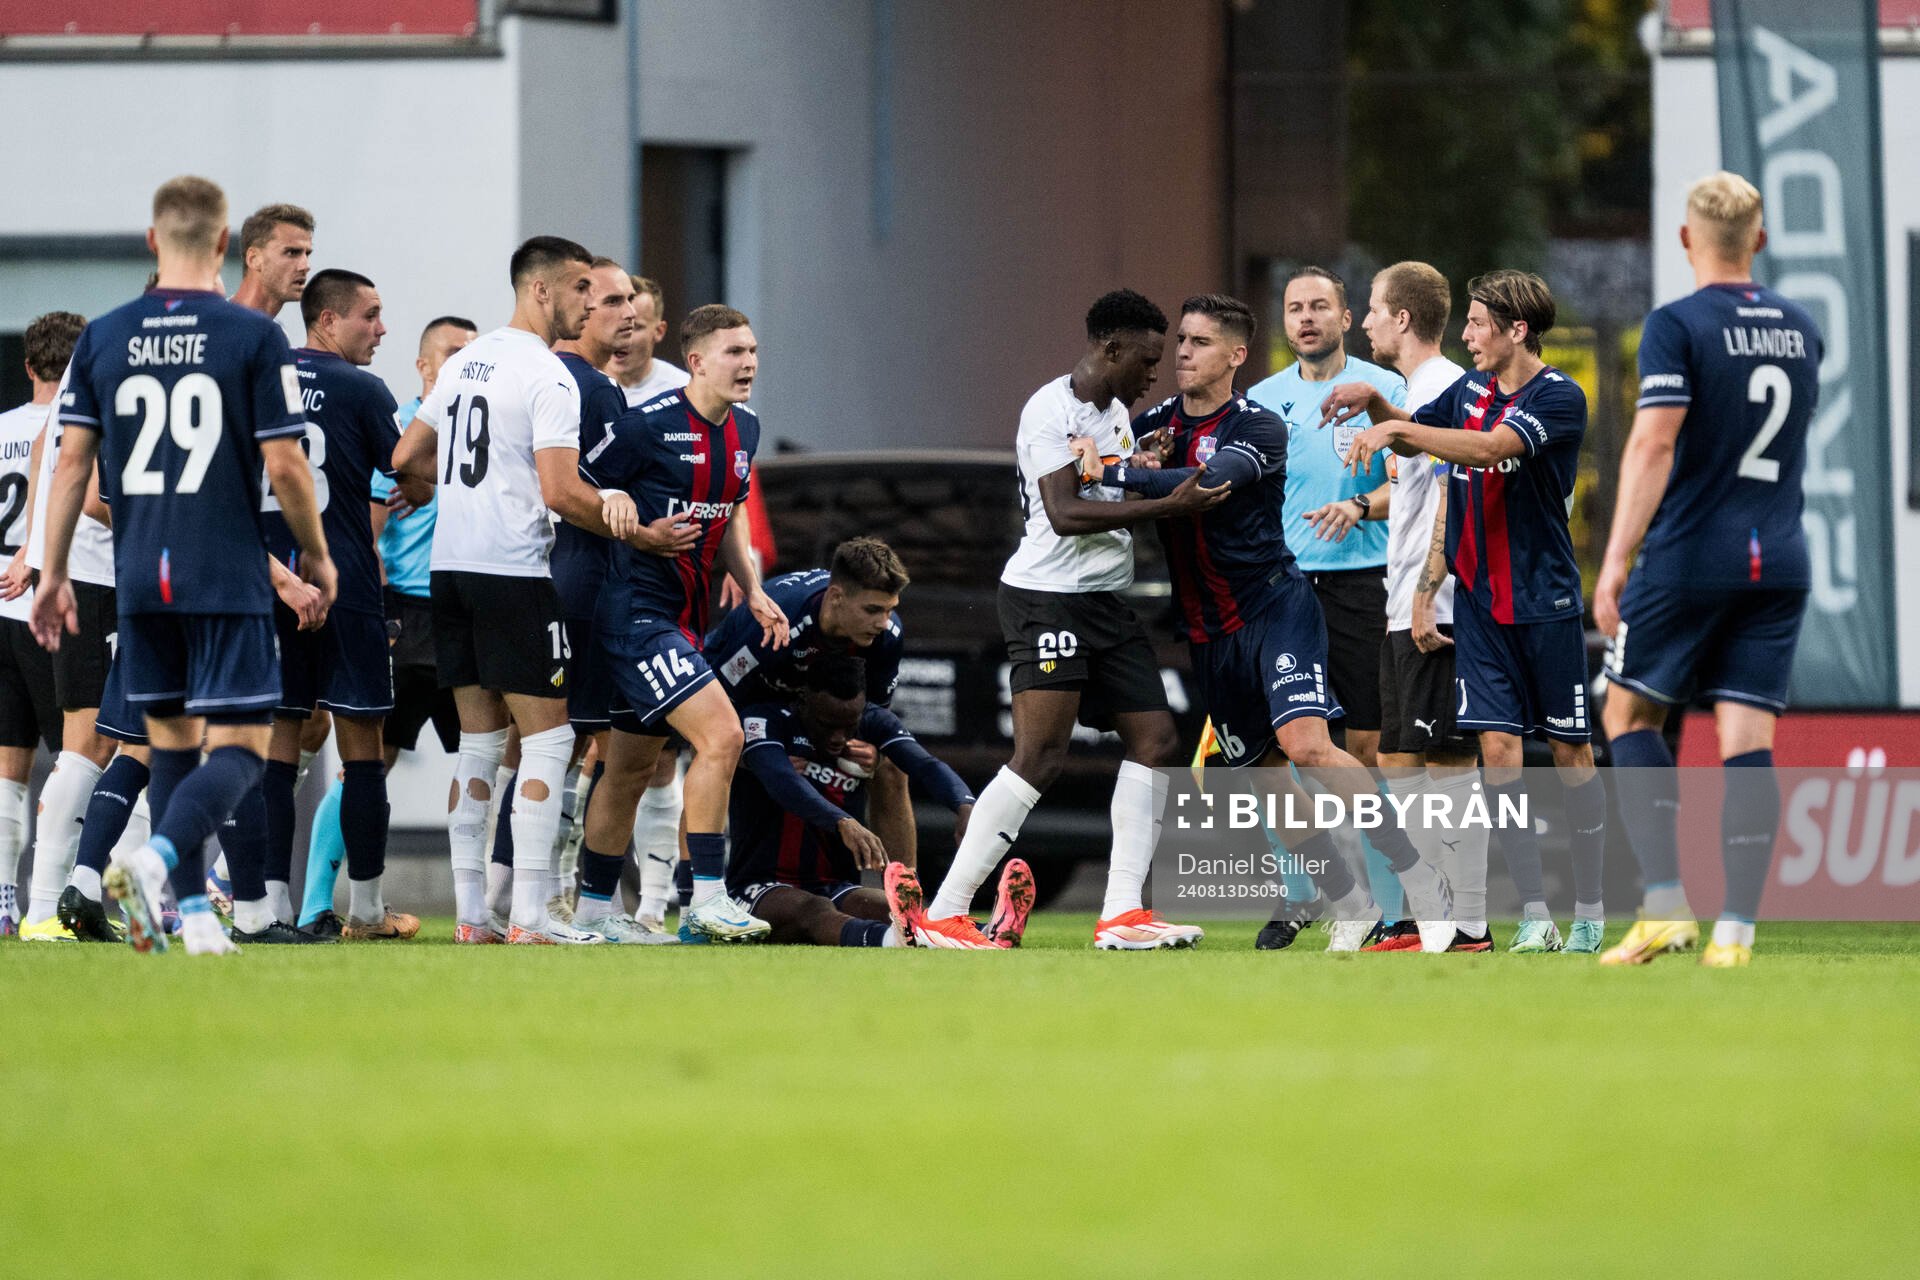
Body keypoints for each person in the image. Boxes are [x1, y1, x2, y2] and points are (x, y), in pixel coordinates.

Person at [1075, 294, 1457, 953]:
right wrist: (1112, 460)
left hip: (1275, 606)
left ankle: (1419, 876)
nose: (1183, 353)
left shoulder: (1258, 425)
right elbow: (1100, 477)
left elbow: (1204, 485)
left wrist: (1113, 470)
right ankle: (1348, 901)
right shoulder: (1155, 423)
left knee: (1307, 746)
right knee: (1266, 774)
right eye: (1182, 341)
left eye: (1199, 342)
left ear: (1236, 354)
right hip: (1208, 629)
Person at [31, 174, 336, 957]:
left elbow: (72, 468)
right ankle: (157, 862)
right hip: (222, 570)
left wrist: (52, 571)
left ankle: (196, 917)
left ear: (151, 239)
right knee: (240, 747)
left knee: (167, 742)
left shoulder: (105, 336)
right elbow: (286, 464)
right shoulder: (250, 336)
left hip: (141, 576)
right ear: (228, 242)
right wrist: (315, 553)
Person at [913, 289, 1225, 951]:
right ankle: (945, 910)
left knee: (1156, 741)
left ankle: (1121, 914)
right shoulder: (1048, 410)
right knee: (1041, 756)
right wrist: (1166, 506)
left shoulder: (1114, 416)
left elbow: (1101, 482)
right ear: (1110, 349)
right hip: (1046, 598)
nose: (1155, 374)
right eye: (1146, 360)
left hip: (1105, 602)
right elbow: (1063, 512)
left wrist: (1136, 466)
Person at [1328, 269, 1609, 953]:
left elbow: (1488, 449)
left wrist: (1397, 427)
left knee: (1572, 753)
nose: (1468, 334)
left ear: (1518, 330)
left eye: (1480, 324)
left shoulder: (1559, 396)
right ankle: (1535, 916)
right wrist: (1377, 407)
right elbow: (1414, 437)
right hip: (1480, 606)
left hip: (1544, 601)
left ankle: (1592, 911)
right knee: (1498, 754)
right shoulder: (1469, 391)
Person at [391, 235, 648, 945]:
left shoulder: (464, 360)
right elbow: (561, 492)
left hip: (449, 572)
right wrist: (619, 511)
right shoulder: (548, 374)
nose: (589, 302)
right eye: (579, 288)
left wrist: (463, 481)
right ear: (542, 290)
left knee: (479, 747)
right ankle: (532, 917)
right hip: (513, 573)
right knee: (550, 738)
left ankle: (473, 916)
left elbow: (405, 455)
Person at [1594, 172, 1821, 969]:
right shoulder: (1801, 328)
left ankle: (1664, 906)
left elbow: (1655, 441)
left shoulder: (1678, 324)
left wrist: (1615, 558)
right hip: (1779, 557)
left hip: (1692, 555)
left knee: (1629, 717)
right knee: (1746, 739)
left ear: (1688, 238)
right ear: (1759, 239)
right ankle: (1736, 935)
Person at [576, 303, 784, 944]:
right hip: (635, 615)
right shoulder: (648, 426)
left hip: (687, 618)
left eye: (752, 351)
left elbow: (730, 511)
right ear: (695, 361)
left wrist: (753, 589)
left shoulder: (745, 428)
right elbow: (577, 478)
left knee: (629, 769)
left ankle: (593, 913)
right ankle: (707, 899)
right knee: (723, 736)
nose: (748, 363)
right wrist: (619, 504)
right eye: (734, 352)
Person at [249, 268, 419, 942]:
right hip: (343, 581)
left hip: (271, 583)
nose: (381, 329)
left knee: (277, 745)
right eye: (369, 316)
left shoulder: (259, 379)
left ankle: (271, 907)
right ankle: (368, 910)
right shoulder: (362, 389)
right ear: (327, 319)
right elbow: (410, 477)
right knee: (363, 747)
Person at [298, 316, 476, 933]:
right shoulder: (401, 430)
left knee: (486, 758)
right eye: (451, 353)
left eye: (471, 354)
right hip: (407, 613)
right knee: (368, 758)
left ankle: (478, 907)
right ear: (424, 366)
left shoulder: (477, 427)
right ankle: (317, 901)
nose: (462, 363)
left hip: (464, 612)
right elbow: (366, 536)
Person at [1246, 266, 1410, 934]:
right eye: (1295, 308)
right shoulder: (1261, 401)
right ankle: (1304, 891)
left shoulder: (1384, 390)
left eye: (1320, 306)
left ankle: (1393, 911)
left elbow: (1417, 485)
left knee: (1367, 751)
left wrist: (1359, 505)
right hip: (1282, 589)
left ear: (1345, 318)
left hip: (1363, 586)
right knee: (1274, 753)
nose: (1306, 318)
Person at [1354, 262, 1486, 953]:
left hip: (1437, 606)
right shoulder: (1414, 394)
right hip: (1402, 602)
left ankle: (1470, 925)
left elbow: (1450, 496)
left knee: (1447, 765)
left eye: (1374, 308)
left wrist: (1429, 592)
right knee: (1398, 759)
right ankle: (1423, 915)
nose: (1366, 321)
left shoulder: (1445, 389)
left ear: (1402, 318)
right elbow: (1410, 495)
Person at [728, 655, 981, 947]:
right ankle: (898, 941)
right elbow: (781, 780)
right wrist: (843, 822)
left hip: (833, 885)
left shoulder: (872, 722)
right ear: (804, 701)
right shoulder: (766, 720)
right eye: (827, 725)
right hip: (757, 886)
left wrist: (965, 806)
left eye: (849, 726)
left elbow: (925, 765)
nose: (839, 737)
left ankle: (988, 931)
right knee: (814, 909)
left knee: (889, 909)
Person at [0, 314, 82, 937]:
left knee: (8, 766)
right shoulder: (75, 427)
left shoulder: (3, 427)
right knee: (76, 757)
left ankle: (5, 899)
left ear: (29, 366)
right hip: (50, 607)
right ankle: (59, 898)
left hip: (0, 609)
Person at [609, 276, 689, 408]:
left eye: (634, 327)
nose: (621, 338)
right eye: (614, 325)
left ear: (659, 331)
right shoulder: (579, 387)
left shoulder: (684, 392)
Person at [230, 203, 314, 318]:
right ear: (254, 259)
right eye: (292, 252)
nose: (305, 266)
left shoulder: (276, 329)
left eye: (307, 254)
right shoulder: (213, 323)